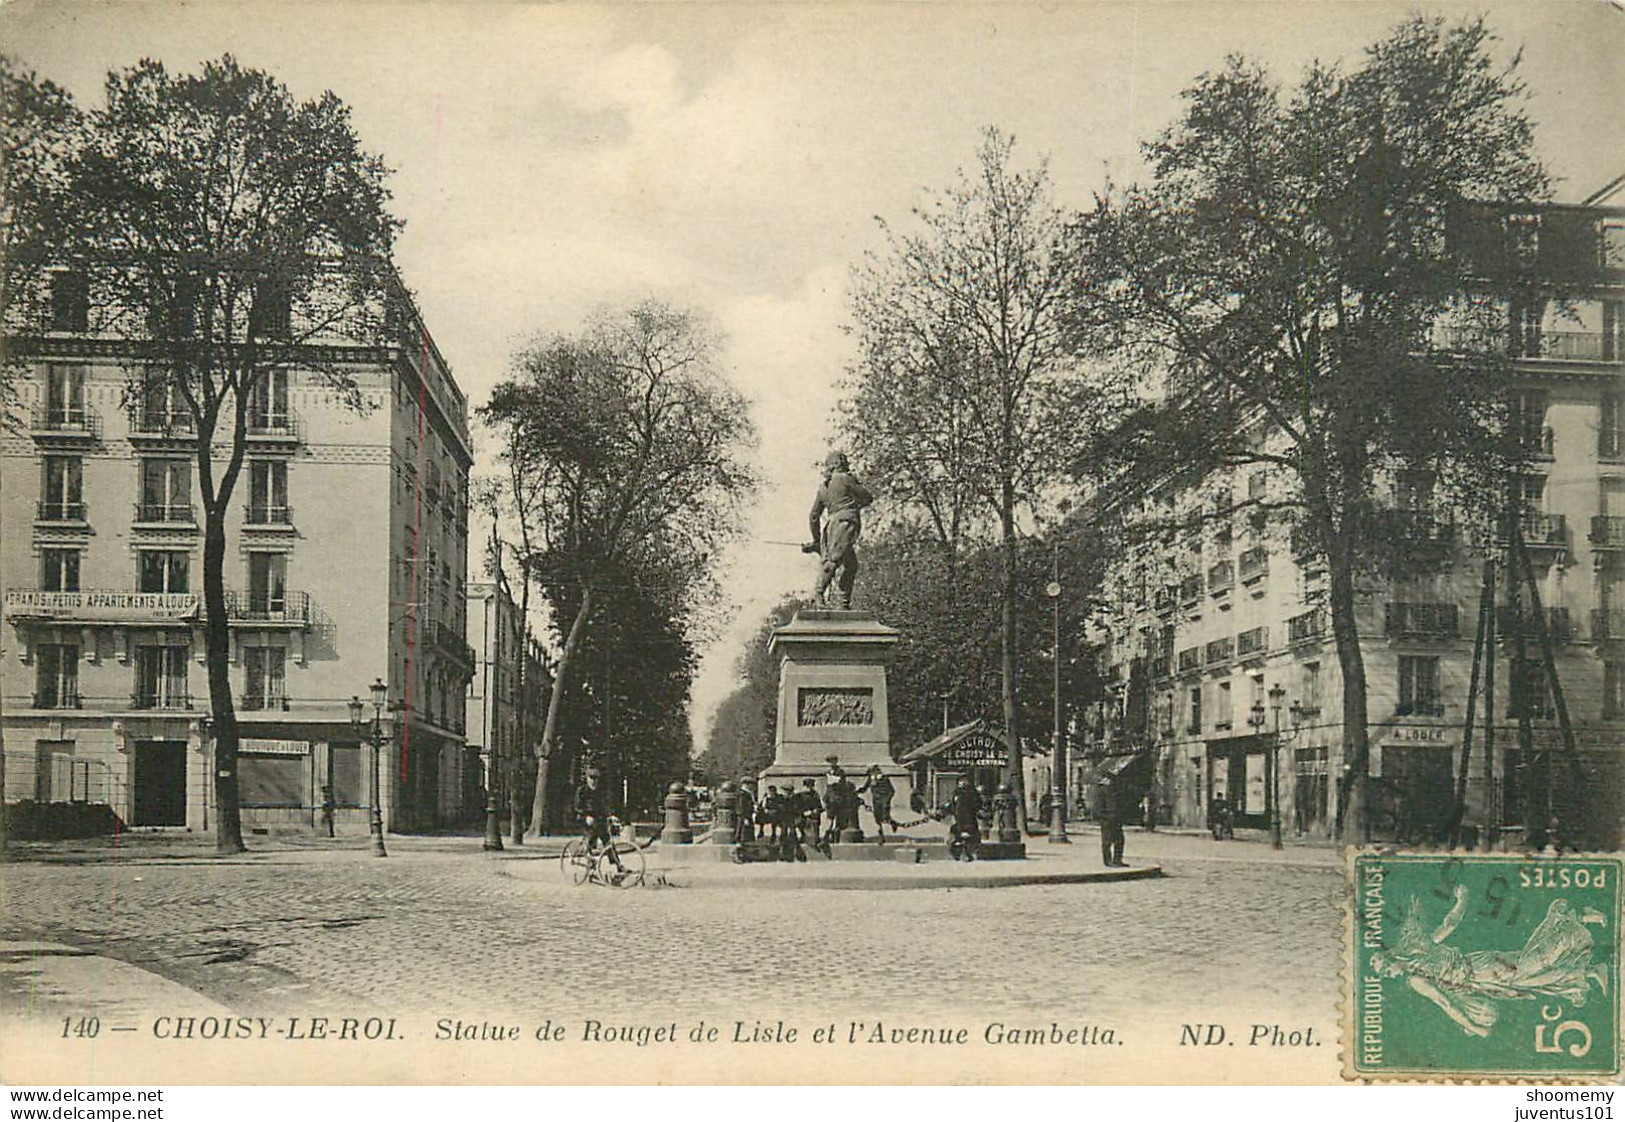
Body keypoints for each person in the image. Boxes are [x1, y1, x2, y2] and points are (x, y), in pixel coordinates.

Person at [1370, 887, 1609, 1039]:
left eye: (1385, 968)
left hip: (1484, 972)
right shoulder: (1420, 952)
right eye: (1384, 974)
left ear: (1392, 957)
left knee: (1537, 962)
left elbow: (1446, 1004)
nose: (1388, 974)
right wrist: (1463, 898)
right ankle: (1590, 971)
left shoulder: (1416, 979)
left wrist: (1478, 1029)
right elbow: (1449, 925)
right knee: (1537, 978)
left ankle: (1576, 917)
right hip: (1480, 969)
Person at [801, 451, 874, 610]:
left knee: (851, 565)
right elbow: (868, 497)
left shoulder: (823, 488)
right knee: (834, 559)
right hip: (845, 522)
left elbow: (814, 516)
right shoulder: (845, 478)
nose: (847, 464)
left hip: (831, 525)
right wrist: (855, 504)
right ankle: (818, 594)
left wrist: (816, 540)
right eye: (845, 462)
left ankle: (843, 604)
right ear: (839, 463)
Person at [574, 768, 625, 874]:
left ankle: (619, 866)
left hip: (598, 820)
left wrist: (612, 816)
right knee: (591, 836)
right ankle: (588, 856)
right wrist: (586, 816)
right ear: (587, 779)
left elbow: (604, 807)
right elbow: (577, 807)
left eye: (596, 779)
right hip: (584, 819)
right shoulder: (582, 791)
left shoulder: (599, 792)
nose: (594, 781)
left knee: (608, 843)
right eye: (591, 778)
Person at [943, 776, 982, 861]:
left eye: (964, 782)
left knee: (965, 836)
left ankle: (966, 853)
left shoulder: (970, 793)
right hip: (961, 820)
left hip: (967, 819)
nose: (962, 784)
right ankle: (964, 853)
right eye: (961, 782)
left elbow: (976, 805)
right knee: (962, 836)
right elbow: (952, 806)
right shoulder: (958, 793)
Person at [857, 765, 897, 841]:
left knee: (885, 817)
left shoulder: (884, 778)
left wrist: (887, 799)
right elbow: (865, 788)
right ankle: (881, 836)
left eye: (872, 772)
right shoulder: (871, 779)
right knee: (877, 818)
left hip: (884, 799)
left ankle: (893, 823)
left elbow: (892, 790)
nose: (871, 774)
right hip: (876, 800)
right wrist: (857, 791)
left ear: (877, 771)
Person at [1098, 776, 1126, 867]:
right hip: (1107, 819)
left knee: (1119, 840)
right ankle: (1108, 861)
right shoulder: (1101, 791)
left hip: (1116, 818)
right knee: (1107, 841)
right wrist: (1104, 817)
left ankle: (1117, 860)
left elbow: (1119, 804)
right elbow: (1098, 807)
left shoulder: (1116, 790)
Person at [798, 778, 823, 851]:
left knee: (815, 823)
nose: (809, 788)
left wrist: (816, 810)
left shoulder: (815, 795)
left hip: (813, 816)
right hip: (803, 816)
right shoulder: (800, 796)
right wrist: (803, 812)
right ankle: (803, 836)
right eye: (807, 786)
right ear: (804, 786)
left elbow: (819, 807)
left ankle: (816, 839)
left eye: (811, 786)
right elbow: (797, 807)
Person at [734, 778, 757, 845]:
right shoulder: (742, 794)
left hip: (747, 816)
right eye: (751, 785)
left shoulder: (747, 793)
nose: (752, 786)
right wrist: (744, 818)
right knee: (742, 832)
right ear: (746, 784)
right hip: (744, 816)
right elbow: (741, 807)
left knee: (747, 833)